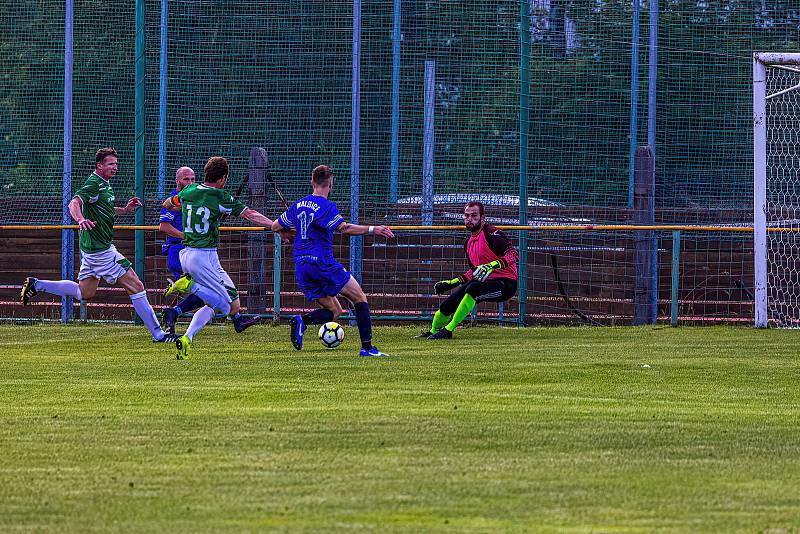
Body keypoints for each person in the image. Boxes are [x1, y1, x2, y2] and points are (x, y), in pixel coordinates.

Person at [20, 147, 176, 343]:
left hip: (91, 251)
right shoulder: (94, 183)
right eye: (111, 164)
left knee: (84, 292)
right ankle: (159, 335)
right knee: (136, 285)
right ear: (99, 165)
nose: (115, 167)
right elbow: (73, 203)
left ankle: (37, 284)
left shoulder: (105, 185)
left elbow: (104, 209)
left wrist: (125, 209)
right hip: (102, 251)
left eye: (116, 164)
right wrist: (80, 219)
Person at [270, 164, 394, 357]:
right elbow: (344, 228)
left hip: (302, 266)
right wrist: (373, 229)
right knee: (359, 297)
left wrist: (286, 233)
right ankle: (368, 348)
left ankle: (302, 321)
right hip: (322, 264)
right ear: (331, 183)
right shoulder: (327, 207)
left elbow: (275, 226)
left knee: (335, 310)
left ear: (312, 182)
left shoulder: (299, 204)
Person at [162, 156, 273, 360]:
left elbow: (168, 204)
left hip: (190, 254)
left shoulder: (188, 191)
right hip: (202, 257)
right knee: (225, 306)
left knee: (226, 306)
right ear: (223, 178)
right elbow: (250, 214)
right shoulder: (220, 196)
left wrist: (184, 206)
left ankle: (187, 339)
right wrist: (274, 225)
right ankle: (189, 286)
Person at [420, 201, 519, 340]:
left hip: (506, 284)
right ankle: (433, 331)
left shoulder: (493, 233)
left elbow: (513, 254)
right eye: (467, 216)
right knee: (450, 301)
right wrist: (451, 283)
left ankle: (448, 330)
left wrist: (491, 266)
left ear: (482, 218)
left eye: (474, 215)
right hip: (484, 281)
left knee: (473, 289)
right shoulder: (468, 243)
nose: (470, 219)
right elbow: (473, 271)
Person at [158, 166, 204, 334]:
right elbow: (164, 226)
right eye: (186, 179)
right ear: (178, 181)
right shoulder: (173, 200)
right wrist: (186, 236)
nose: (190, 182)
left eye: (193, 179)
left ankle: (172, 314)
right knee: (205, 292)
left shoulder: (193, 199)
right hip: (178, 251)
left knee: (205, 294)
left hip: (192, 251)